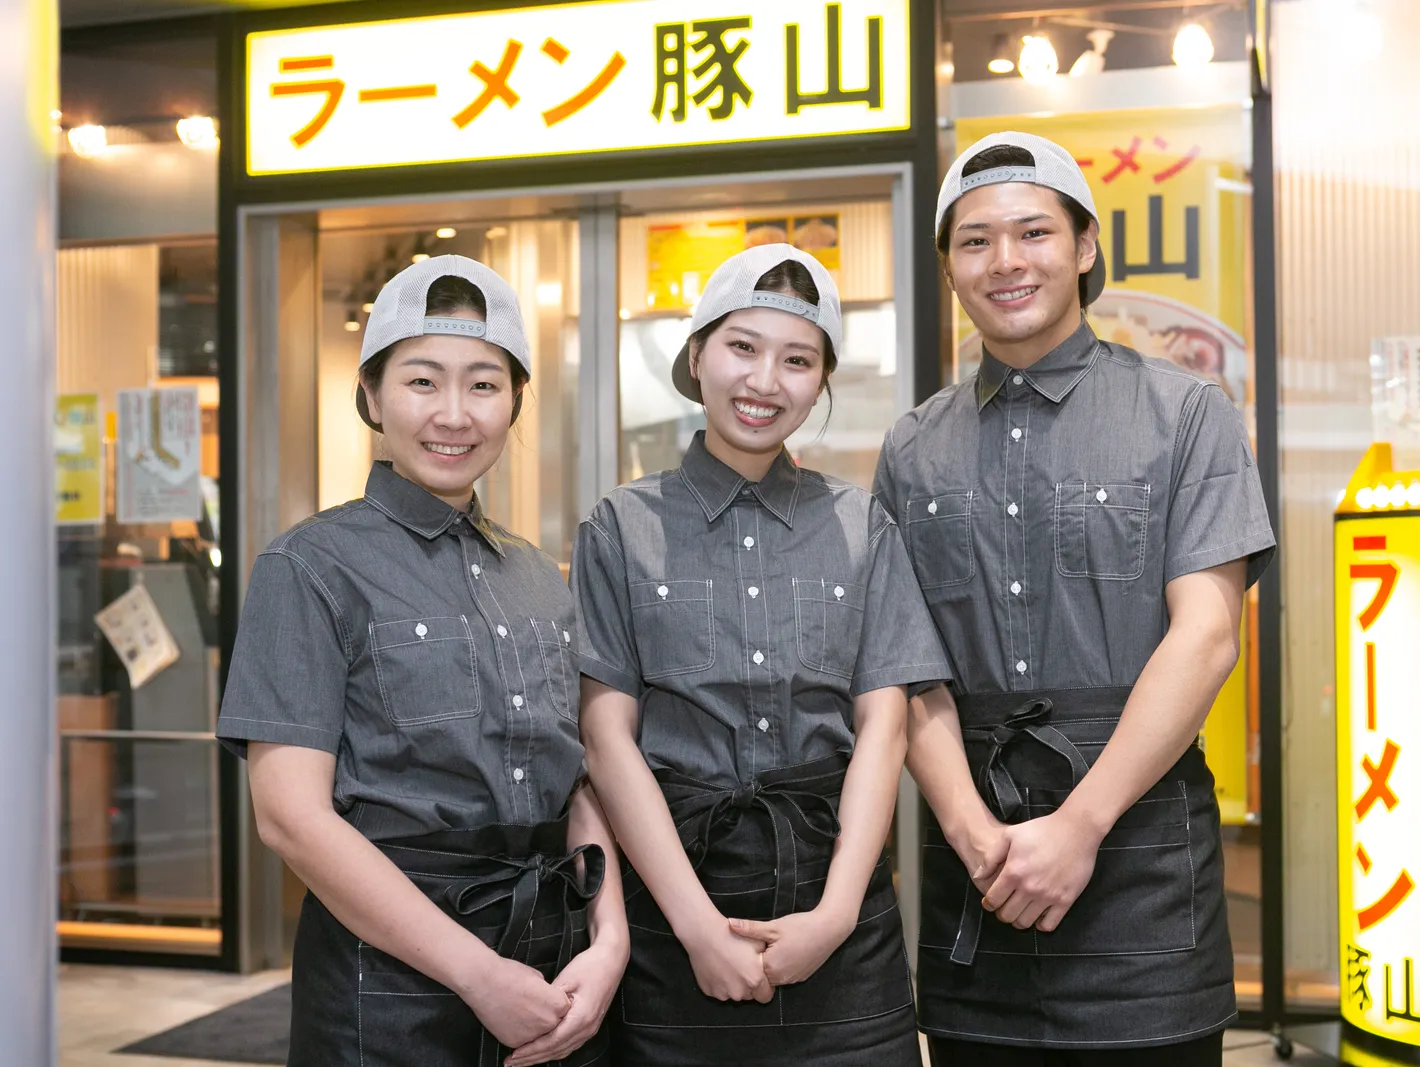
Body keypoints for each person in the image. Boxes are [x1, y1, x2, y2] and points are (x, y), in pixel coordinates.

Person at [873, 132, 1277, 1064]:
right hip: (979, 866)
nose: (1005, 262)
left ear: (1085, 247)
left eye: (1032, 233)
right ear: (949, 267)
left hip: (1137, 853)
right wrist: (976, 834)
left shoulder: (1185, 413)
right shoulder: (912, 448)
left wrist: (1081, 824)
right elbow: (904, 666)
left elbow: (1208, 635)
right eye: (974, 241)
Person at [215, 255, 625, 1067]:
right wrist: (477, 975)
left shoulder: (540, 576)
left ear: (514, 403)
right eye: (421, 381)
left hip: (553, 966)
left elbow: (574, 780)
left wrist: (609, 941)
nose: (454, 413)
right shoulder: (308, 566)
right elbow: (290, 817)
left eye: (483, 384)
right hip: (389, 988)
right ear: (371, 396)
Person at [569, 244, 949, 1066]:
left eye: (798, 359)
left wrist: (837, 914)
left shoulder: (860, 525)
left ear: (821, 382)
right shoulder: (619, 526)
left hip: (839, 903)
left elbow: (884, 727)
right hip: (675, 902)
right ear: (698, 354)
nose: (765, 381)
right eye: (743, 347)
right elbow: (606, 740)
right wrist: (698, 928)